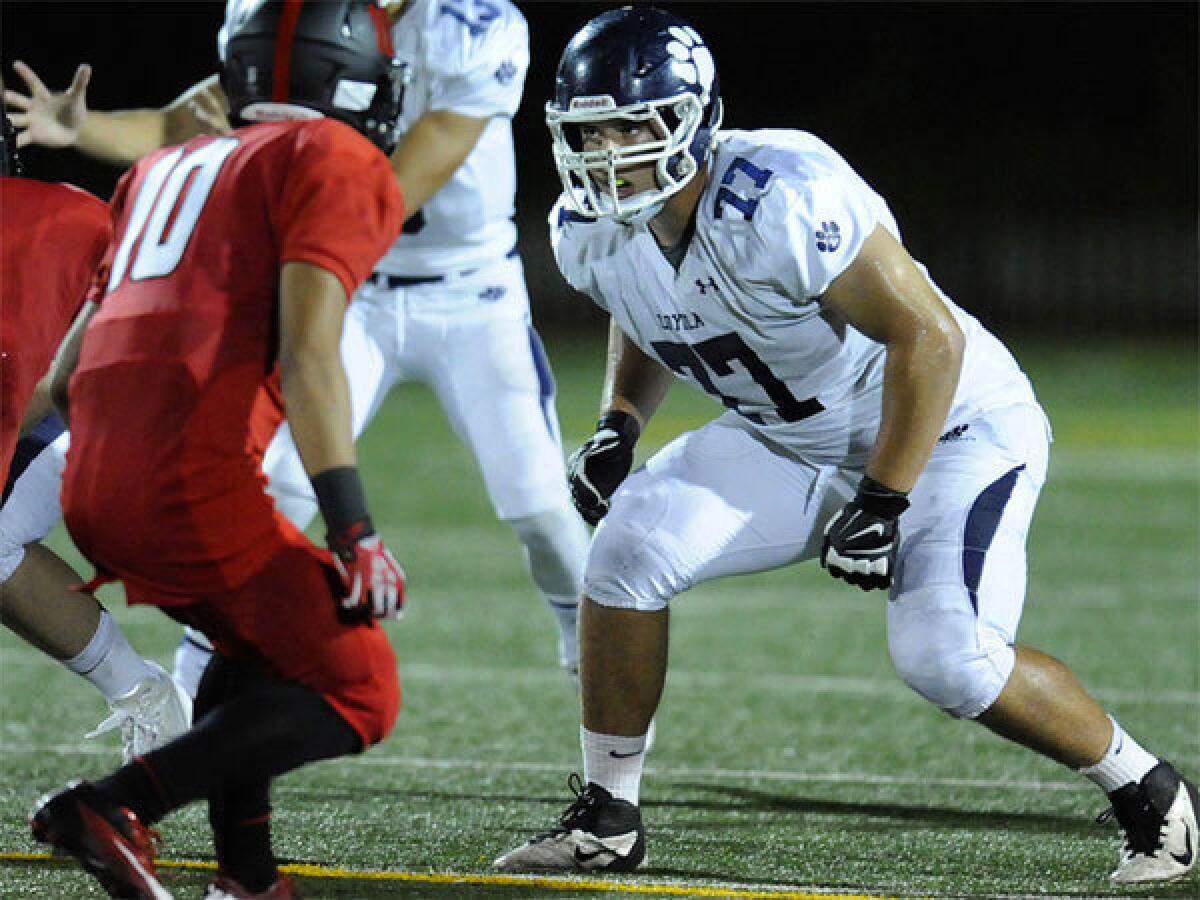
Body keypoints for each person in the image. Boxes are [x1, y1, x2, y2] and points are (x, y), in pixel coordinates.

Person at [491, 7, 1197, 887]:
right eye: (590, 129)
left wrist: (885, 498)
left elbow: (929, 338)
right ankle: (608, 818)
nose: (608, 150)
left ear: (694, 118)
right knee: (625, 555)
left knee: (948, 657)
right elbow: (647, 307)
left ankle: (1150, 789)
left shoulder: (779, 194)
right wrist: (618, 423)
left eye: (633, 124)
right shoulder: (586, 226)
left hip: (948, 426)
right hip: (790, 438)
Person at [6, 0, 590, 699]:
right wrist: (83, 128)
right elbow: (190, 122)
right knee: (266, 489)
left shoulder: (472, 23)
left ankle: (587, 634)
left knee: (540, 507)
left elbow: (399, 181)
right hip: (349, 290)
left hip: (468, 292)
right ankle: (191, 697)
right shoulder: (289, 15)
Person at [28, 4, 407, 897]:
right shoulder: (334, 156)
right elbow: (313, 354)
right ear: (351, 77)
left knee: (259, 640)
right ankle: (113, 802)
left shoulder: (161, 166)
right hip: (186, 489)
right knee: (362, 686)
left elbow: (62, 378)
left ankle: (247, 875)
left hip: (91, 482)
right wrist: (354, 528)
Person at [0, 94, 189, 762]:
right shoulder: (47, 213)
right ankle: (145, 693)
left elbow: (29, 385)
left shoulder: (27, 235)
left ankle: (204, 707)